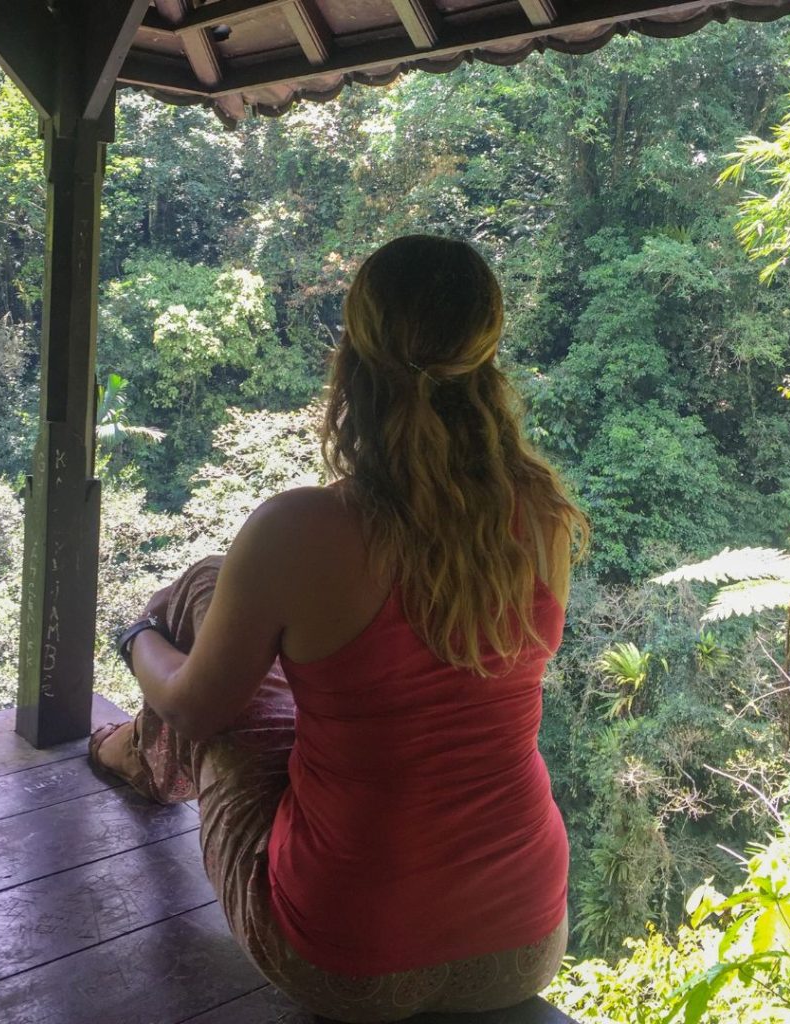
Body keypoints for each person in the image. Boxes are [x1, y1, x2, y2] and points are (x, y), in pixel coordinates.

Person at [89, 234, 588, 1022]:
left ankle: (131, 757)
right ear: (488, 360)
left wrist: (138, 635)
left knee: (199, 592)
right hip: (525, 941)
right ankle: (136, 757)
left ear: (352, 356)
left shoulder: (301, 530)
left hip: (343, 952)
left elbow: (193, 710)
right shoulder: (545, 520)